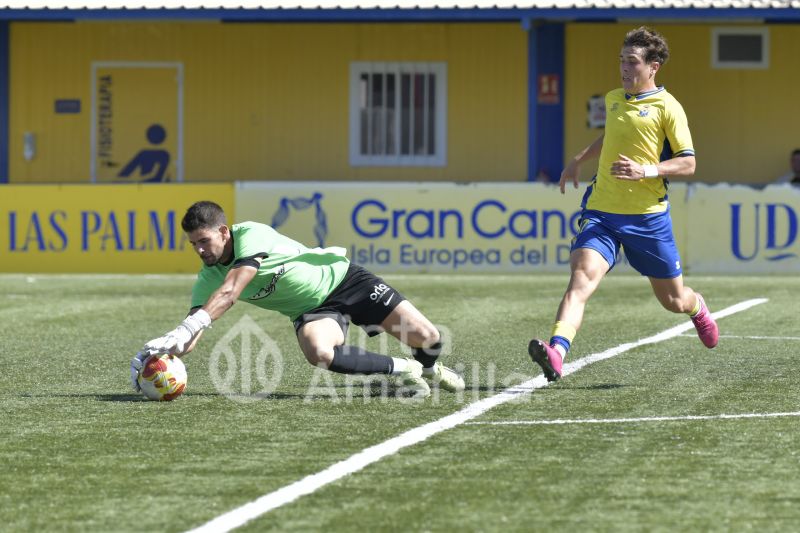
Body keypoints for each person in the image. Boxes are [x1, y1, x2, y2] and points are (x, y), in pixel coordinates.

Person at [528, 26, 719, 382]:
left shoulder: (668, 107)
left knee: (673, 301)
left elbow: (688, 162)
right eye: (621, 60)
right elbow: (612, 135)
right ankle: (557, 350)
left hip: (648, 219)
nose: (624, 68)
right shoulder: (614, 98)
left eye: (632, 62)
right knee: (581, 278)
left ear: (653, 66)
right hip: (602, 211)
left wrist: (645, 170)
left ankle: (697, 307)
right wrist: (579, 159)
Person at [131, 201, 464, 399]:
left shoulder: (251, 234)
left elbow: (232, 291)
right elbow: (192, 337)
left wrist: (189, 325)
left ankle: (430, 369)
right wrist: (163, 348)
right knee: (318, 352)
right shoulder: (209, 277)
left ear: (224, 232)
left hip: (345, 280)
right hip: (313, 310)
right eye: (193, 245)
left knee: (429, 337)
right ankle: (404, 369)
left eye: (204, 241)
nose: (200, 251)